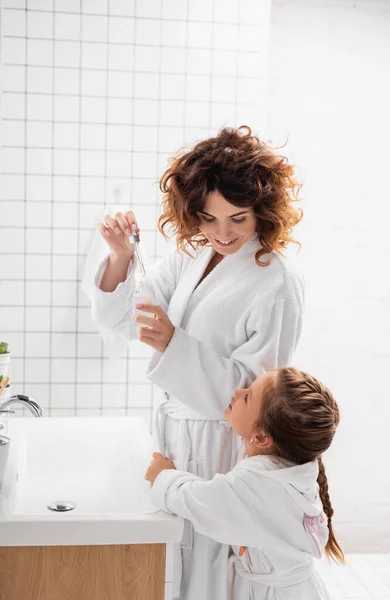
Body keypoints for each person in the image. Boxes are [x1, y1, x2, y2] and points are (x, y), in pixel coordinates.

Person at [91, 126, 305, 599]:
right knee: (175, 563)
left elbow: (256, 390)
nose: (222, 233)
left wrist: (175, 344)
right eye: (208, 218)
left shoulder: (277, 282)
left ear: (264, 211)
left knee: (211, 566)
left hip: (222, 445)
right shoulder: (193, 257)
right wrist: (122, 257)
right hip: (176, 432)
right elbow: (129, 319)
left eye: (238, 218)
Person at [146, 367, 344, 600]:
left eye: (248, 396)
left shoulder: (258, 486)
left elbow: (203, 502)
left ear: (261, 438)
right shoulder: (291, 470)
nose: (237, 392)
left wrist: (164, 478)